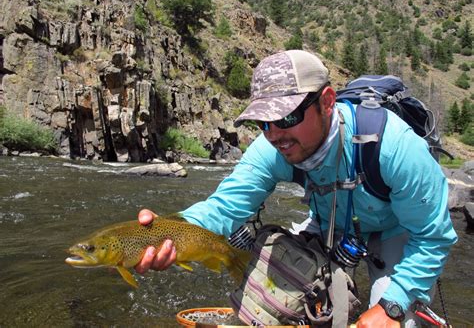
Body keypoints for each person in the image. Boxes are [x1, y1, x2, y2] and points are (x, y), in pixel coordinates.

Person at [134, 50, 457, 327]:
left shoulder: (394, 146)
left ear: (327, 102)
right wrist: (170, 232)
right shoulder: (272, 148)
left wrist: (393, 306)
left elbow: (433, 235)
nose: (275, 135)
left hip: (396, 231)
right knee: (276, 301)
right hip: (330, 225)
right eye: (264, 122)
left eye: (286, 117)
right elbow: (224, 208)